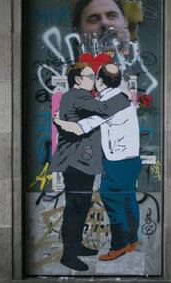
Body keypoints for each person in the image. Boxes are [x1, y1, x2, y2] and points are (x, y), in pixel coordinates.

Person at [54, 63, 141, 261]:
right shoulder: (112, 98)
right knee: (126, 200)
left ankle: (119, 245)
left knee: (112, 202)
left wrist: (59, 122)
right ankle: (131, 241)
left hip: (116, 162)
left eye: (95, 77)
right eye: (89, 76)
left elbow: (81, 127)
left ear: (101, 82)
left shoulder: (109, 101)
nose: (93, 81)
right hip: (128, 160)